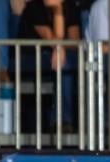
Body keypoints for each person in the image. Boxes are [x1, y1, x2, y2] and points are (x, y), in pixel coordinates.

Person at [18, 0, 81, 132]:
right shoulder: (34, 7)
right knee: (65, 62)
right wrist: (58, 12)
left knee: (74, 61)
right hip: (29, 57)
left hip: (57, 56)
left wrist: (60, 48)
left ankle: (73, 122)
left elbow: (75, 41)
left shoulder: (70, 6)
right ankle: (61, 122)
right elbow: (51, 38)